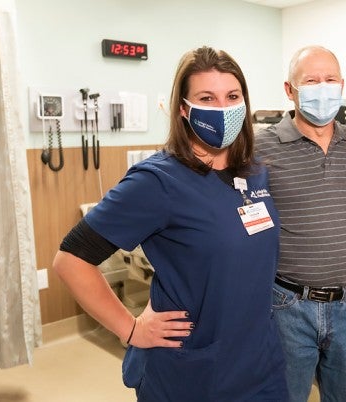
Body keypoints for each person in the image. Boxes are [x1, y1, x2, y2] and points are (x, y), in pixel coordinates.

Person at [52, 46, 287, 401]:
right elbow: (70, 260)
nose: (222, 108)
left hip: (259, 363)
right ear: (183, 108)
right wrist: (129, 329)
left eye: (232, 96)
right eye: (207, 97)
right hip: (192, 370)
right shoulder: (157, 182)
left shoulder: (254, 172)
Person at [255, 45, 346, 402]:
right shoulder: (261, 150)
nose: (322, 88)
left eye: (330, 79)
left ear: (342, 85)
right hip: (288, 305)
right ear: (290, 90)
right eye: (311, 81)